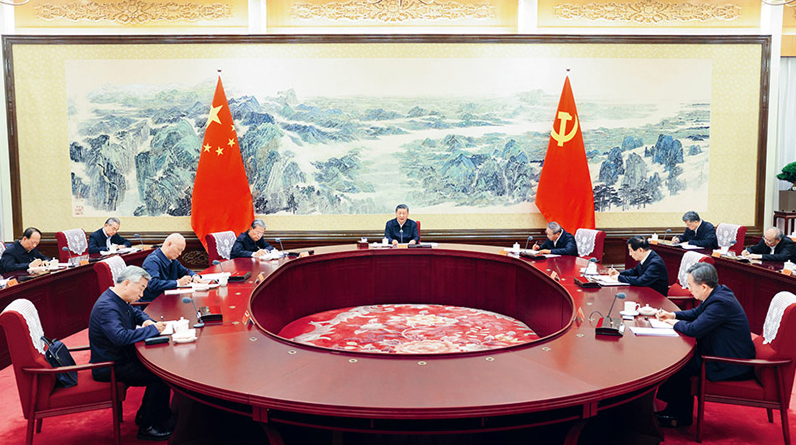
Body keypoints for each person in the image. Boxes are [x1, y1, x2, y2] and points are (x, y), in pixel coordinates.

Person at [654, 262, 755, 428]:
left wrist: (673, 323)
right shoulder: (717, 292)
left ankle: (679, 416)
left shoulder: (720, 303)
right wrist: (672, 315)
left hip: (728, 362)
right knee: (674, 359)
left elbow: (694, 329)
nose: (688, 289)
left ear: (704, 287)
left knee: (678, 365)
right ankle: (671, 407)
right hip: (717, 350)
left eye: (690, 285)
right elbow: (696, 313)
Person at [88, 266, 174, 441]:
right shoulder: (107, 307)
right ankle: (147, 426)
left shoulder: (118, 298)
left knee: (163, 367)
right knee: (160, 375)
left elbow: (136, 313)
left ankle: (152, 414)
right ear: (127, 283)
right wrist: (153, 330)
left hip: (123, 356)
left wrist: (148, 321)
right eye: (141, 288)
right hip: (111, 365)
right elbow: (120, 337)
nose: (142, 294)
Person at [141, 233, 205, 302]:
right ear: (169, 244)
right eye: (179, 250)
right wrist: (178, 283)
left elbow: (185, 271)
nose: (180, 254)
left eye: (182, 251)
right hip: (153, 303)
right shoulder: (152, 261)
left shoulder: (172, 260)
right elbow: (153, 284)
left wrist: (194, 277)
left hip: (169, 299)